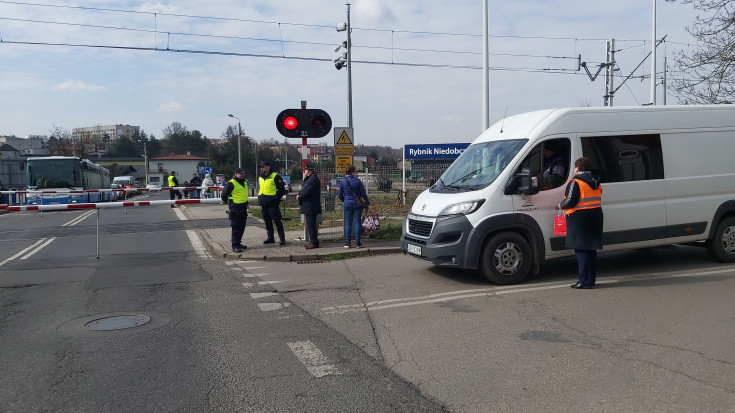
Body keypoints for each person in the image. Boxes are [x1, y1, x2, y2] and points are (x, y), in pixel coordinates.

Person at [558, 157, 604, 289]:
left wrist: (560, 205)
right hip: (596, 216)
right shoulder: (596, 181)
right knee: (591, 249)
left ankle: (583, 281)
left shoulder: (575, 182)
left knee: (581, 249)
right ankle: (590, 280)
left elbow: (571, 201)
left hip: (579, 218)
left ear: (577, 168)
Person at [338, 165, 370, 248]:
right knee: (357, 222)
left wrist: (344, 200)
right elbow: (363, 193)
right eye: (355, 171)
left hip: (347, 204)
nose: (355, 173)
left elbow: (339, 194)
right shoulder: (358, 181)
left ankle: (347, 243)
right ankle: (357, 243)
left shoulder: (342, 181)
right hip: (357, 204)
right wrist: (367, 202)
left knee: (348, 223)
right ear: (352, 172)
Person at [258, 161, 287, 245]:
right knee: (267, 222)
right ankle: (270, 238)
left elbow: (281, 190)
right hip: (264, 203)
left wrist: (276, 199)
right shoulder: (260, 177)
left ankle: (282, 239)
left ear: (268, 167)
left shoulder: (275, 176)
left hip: (272, 203)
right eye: (261, 167)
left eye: (263, 167)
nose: (262, 168)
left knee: (277, 221)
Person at [221, 168, 249, 253]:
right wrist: (231, 204)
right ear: (236, 174)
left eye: (243, 174)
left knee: (242, 227)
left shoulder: (244, 182)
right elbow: (223, 195)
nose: (242, 175)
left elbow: (244, 194)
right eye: (241, 174)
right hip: (235, 208)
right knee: (236, 227)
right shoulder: (231, 183)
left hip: (243, 208)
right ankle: (235, 245)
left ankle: (238, 242)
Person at [297, 163, 322, 249]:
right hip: (308, 205)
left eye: (305, 170)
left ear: (309, 170)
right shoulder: (308, 179)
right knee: (310, 225)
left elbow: (307, 191)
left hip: (311, 206)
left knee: (311, 225)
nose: (304, 171)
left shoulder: (313, 180)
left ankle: (314, 242)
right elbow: (303, 189)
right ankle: (312, 241)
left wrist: (299, 197)